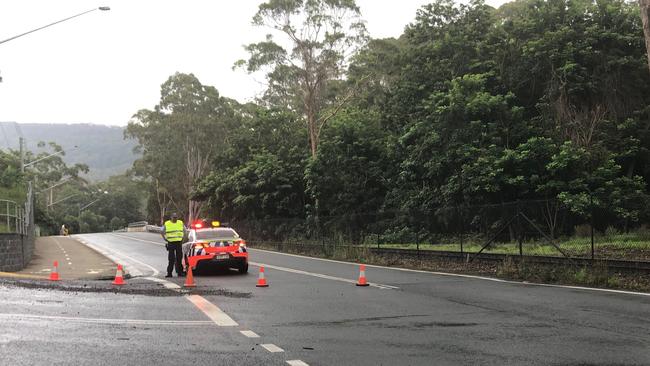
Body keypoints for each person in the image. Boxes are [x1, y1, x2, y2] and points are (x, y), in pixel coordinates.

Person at [161, 213, 186, 278]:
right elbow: (162, 231)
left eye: (176, 217)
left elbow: (185, 231)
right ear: (171, 217)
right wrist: (165, 238)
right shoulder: (167, 223)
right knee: (171, 259)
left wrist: (183, 238)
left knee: (179, 258)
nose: (175, 218)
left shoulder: (180, 222)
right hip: (171, 243)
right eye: (174, 217)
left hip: (178, 242)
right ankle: (169, 273)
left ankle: (180, 272)